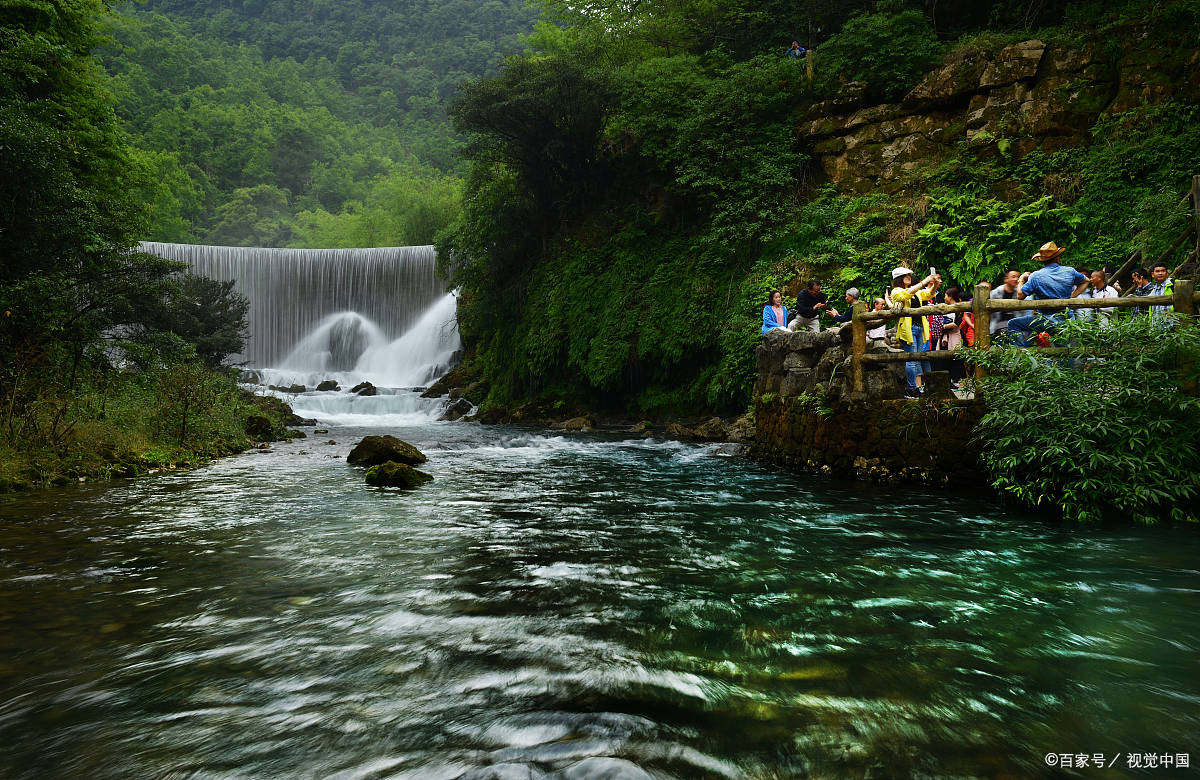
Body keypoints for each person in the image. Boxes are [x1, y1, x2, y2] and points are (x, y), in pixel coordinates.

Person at [1006, 241, 1088, 347]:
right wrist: (1072, 296)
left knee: (1013, 324)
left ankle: (1020, 354)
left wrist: (1021, 280)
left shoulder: (1036, 276)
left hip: (1045, 321)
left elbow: (1020, 295)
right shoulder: (1070, 271)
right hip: (1066, 319)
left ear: (1042, 261)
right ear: (1058, 258)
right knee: (1063, 351)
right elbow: (1086, 281)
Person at [890, 266, 940, 397]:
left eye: (909, 275)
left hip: (919, 327)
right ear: (899, 278)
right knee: (911, 360)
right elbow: (905, 295)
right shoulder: (896, 291)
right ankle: (911, 388)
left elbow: (928, 294)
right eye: (906, 276)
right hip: (908, 329)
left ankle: (916, 388)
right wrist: (924, 282)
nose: (909, 277)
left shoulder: (916, 292)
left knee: (917, 358)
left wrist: (934, 285)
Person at [988, 270, 1025, 336]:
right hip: (998, 324)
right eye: (1013, 277)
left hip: (1015, 323)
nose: (1016, 279)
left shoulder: (1019, 293)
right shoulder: (995, 293)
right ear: (1006, 279)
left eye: (1018, 277)